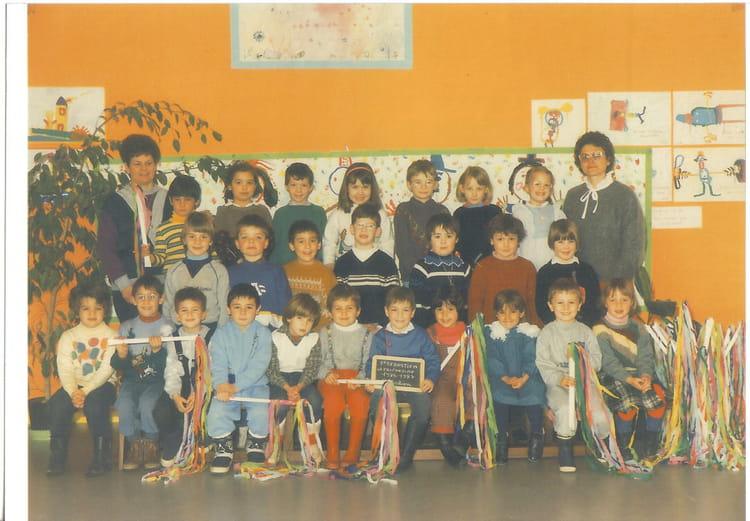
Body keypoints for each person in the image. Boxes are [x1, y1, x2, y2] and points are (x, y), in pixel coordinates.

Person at [535, 278, 609, 472]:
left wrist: (583, 369)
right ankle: (565, 449)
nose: (566, 308)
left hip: (584, 383)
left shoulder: (585, 332)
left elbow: (597, 360)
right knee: (564, 408)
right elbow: (543, 363)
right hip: (559, 384)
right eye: (560, 303)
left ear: (579, 304)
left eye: (571, 302)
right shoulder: (547, 333)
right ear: (551, 305)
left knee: (600, 412)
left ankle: (601, 446)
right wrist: (559, 378)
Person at [364, 287, 441, 472]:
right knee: (376, 403)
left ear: (412, 312)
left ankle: (406, 455)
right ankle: (388, 451)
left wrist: (430, 379)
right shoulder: (380, 336)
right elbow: (372, 362)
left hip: (414, 387)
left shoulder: (421, 335)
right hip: (387, 386)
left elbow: (433, 360)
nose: (400, 315)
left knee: (423, 408)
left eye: (405, 310)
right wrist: (370, 380)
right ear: (386, 311)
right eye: (395, 310)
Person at [97, 134, 172, 322]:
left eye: (148, 163)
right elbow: (106, 248)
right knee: (132, 336)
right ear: (126, 167)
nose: (144, 169)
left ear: (156, 165)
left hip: (163, 288)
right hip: (127, 288)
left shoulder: (171, 200)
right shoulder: (114, 202)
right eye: (137, 164)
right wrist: (124, 285)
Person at [46, 283, 118, 478]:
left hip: (102, 385)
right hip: (74, 386)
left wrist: (85, 392)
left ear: (105, 310)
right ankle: (57, 458)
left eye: (98, 308)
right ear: (77, 311)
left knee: (95, 405)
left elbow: (106, 369)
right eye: (86, 308)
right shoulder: (68, 336)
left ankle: (102, 459)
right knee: (58, 404)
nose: (92, 313)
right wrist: (73, 392)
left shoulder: (112, 336)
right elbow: (65, 368)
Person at [594, 279, 666, 458]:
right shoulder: (600, 329)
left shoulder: (638, 327)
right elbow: (608, 362)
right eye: (613, 300)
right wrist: (628, 379)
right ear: (605, 303)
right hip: (613, 376)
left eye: (624, 300)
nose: (619, 305)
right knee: (627, 404)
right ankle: (623, 445)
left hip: (638, 375)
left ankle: (651, 443)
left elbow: (645, 356)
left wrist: (646, 376)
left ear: (632, 303)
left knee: (658, 397)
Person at [207, 284, 273, 474]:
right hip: (226, 383)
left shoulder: (263, 333)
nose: (243, 312)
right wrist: (221, 385)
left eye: (249, 307)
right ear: (228, 309)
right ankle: (223, 448)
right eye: (237, 307)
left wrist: (236, 387)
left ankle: (256, 444)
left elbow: (259, 365)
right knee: (217, 410)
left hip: (256, 384)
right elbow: (218, 363)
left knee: (260, 411)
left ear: (258, 309)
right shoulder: (221, 334)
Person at [562, 131, 645, 282]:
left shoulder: (625, 196)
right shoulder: (573, 196)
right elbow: (564, 240)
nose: (591, 161)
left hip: (614, 284)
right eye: (585, 156)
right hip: (579, 283)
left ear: (608, 159)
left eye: (597, 155)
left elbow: (634, 245)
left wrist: (618, 283)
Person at [111, 274, 174, 471]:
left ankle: (151, 444)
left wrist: (157, 351)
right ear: (133, 299)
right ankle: (134, 445)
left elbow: (172, 364)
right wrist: (121, 355)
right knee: (124, 404)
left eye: (152, 296)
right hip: (131, 381)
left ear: (161, 299)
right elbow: (117, 365)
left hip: (157, 381)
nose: (146, 301)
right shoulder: (126, 327)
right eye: (141, 297)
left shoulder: (168, 327)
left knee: (148, 404)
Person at [484, 290, 546, 464]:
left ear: (522, 313)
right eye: (502, 312)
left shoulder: (529, 333)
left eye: (513, 312)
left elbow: (532, 357)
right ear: (496, 314)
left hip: (527, 376)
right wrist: (505, 378)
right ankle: (501, 438)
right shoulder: (492, 333)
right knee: (498, 395)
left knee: (535, 393)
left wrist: (524, 378)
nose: (507, 317)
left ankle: (536, 434)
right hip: (501, 377)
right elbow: (492, 358)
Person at [316, 284, 373, 469]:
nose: (344, 313)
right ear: (330, 312)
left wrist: (361, 378)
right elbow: (316, 361)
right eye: (338, 309)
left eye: (349, 308)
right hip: (331, 378)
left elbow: (369, 362)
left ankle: (353, 451)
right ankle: (332, 452)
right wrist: (325, 374)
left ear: (358, 311)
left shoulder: (367, 334)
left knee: (360, 404)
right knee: (333, 404)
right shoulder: (324, 333)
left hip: (357, 378)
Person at [153, 287, 210, 467]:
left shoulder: (212, 336)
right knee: (161, 409)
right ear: (177, 316)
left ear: (204, 314)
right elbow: (171, 369)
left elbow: (213, 370)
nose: (190, 314)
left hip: (205, 385)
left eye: (195, 310)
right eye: (184, 310)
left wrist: (199, 392)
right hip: (180, 384)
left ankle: (202, 439)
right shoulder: (173, 338)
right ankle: (173, 438)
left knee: (210, 405)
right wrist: (175, 394)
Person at [266, 293, 324, 462]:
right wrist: (287, 388)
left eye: (309, 320)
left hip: (302, 380)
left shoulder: (314, 338)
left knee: (315, 401)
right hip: (279, 380)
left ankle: (311, 442)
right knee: (279, 404)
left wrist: (298, 387)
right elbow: (271, 370)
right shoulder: (275, 337)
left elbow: (312, 368)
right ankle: (276, 443)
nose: (304, 324)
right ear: (289, 318)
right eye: (300, 318)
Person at [162, 212, 229, 339]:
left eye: (203, 237)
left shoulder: (219, 271)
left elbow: (224, 307)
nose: (197, 242)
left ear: (210, 241)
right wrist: (170, 333)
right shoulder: (173, 271)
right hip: (180, 330)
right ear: (184, 239)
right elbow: (168, 305)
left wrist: (220, 335)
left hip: (211, 330)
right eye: (192, 236)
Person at [333, 203, 400, 327]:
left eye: (370, 226)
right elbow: (338, 300)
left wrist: (380, 326)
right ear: (352, 229)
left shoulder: (387, 263)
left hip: (380, 328)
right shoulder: (342, 263)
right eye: (360, 225)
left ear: (378, 231)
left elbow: (393, 301)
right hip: (350, 327)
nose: (364, 230)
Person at [426, 285, 471, 466]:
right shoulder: (430, 333)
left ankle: (464, 441)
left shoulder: (469, 332)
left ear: (459, 310)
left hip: (465, 378)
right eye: (440, 310)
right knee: (441, 401)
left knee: (476, 397)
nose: (445, 315)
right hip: (441, 379)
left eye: (450, 309)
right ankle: (446, 447)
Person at [467, 214, 541, 326]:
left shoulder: (528, 267)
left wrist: (536, 328)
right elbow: (475, 305)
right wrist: (476, 332)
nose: (506, 244)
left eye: (511, 239)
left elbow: (531, 305)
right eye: (500, 239)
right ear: (492, 240)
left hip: (520, 329)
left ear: (518, 241)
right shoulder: (482, 267)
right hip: (490, 329)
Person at [323, 162, 394, 267]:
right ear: (347, 188)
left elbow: (387, 242)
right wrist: (329, 263)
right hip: (345, 268)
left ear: (372, 189)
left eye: (365, 187)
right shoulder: (338, 214)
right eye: (355, 187)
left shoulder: (380, 214)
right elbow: (329, 242)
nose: (360, 192)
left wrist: (387, 264)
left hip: (374, 267)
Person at [228, 214, 292, 329]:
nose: (251, 241)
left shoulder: (276, 271)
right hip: (240, 331)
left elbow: (285, 305)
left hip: (272, 332)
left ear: (266, 243)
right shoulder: (230, 273)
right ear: (237, 243)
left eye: (258, 237)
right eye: (245, 237)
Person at [409, 213, 471, 328]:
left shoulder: (464, 268)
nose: (443, 241)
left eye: (449, 236)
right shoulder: (422, 268)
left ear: (456, 239)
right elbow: (417, 305)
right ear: (430, 240)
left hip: (458, 329)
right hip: (431, 328)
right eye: (437, 237)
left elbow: (467, 304)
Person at [535, 219, 600, 327]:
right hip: (555, 328)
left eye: (570, 241)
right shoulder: (545, 273)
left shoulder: (587, 270)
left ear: (577, 244)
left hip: (584, 327)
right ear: (552, 244)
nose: (566, 246)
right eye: (560, 242)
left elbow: (595, 303)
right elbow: (541, 306)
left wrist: (584, 325)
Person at [393, 159, 450, 281]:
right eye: (418, 182)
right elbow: (402, 248)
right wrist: (418, 272)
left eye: (428, 182)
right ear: (409, 185)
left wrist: (436, 271)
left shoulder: (442, 211)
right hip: (411, 276)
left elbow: (447, 244)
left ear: (436, 184)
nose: (423, 187)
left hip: (438, 274)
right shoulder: (403, 210)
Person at [213, 161, 274, 266]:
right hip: (232, 266)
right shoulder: (223, 211)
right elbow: (220, 243)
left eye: (249, 183)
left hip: (259, 264)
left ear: (255, 186)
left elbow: (270, 240)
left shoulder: (262, 210)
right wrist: (236, 260)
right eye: (239, 182)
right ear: (229, 186)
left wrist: (258, 259)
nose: (244, 187)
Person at [283, 220, 338, 329]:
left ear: (319, 244)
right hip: (291, 330)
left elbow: (331, 308)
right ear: (292, 246)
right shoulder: (284, 271)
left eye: (312, 241)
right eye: (301, 241)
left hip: (318, 331)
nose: (307, 246)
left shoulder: (326, 273)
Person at [270, 162, 327, 266]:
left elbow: (325, 243)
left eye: (304, 185)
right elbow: (274, 245)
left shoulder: (319, 212)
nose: (298, 190)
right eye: (294, 185)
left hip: (313, 267)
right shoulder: (280, 214)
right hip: (285, 268)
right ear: (286, 187)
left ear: (311, 188)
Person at [511, 166, 566, 270]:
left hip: (552, 267)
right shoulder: (519, 212)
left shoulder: (557, 212)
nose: (542, 188)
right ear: (526, 188)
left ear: (551, 189)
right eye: (537, 184)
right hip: (526, 266)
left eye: (546, 185)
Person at [145, 174, 202, 272]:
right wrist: (149, 258)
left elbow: (213, 255)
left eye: (187, 200)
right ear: (171, 201)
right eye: (177, 199)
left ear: (196, 201)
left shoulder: (203, 225)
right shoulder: (163, 229)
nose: (182, 204)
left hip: (200, 277)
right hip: (173, 278)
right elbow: (160, 258)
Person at [452, 166, 503, 266]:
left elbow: (501, 237)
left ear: (486, 190)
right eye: (470, 189)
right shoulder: (459, 213)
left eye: (479, 189)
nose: (474, 193)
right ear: (462, 189)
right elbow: (456, 242)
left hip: (492, 261)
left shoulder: (494, 211)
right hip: (466, 262)